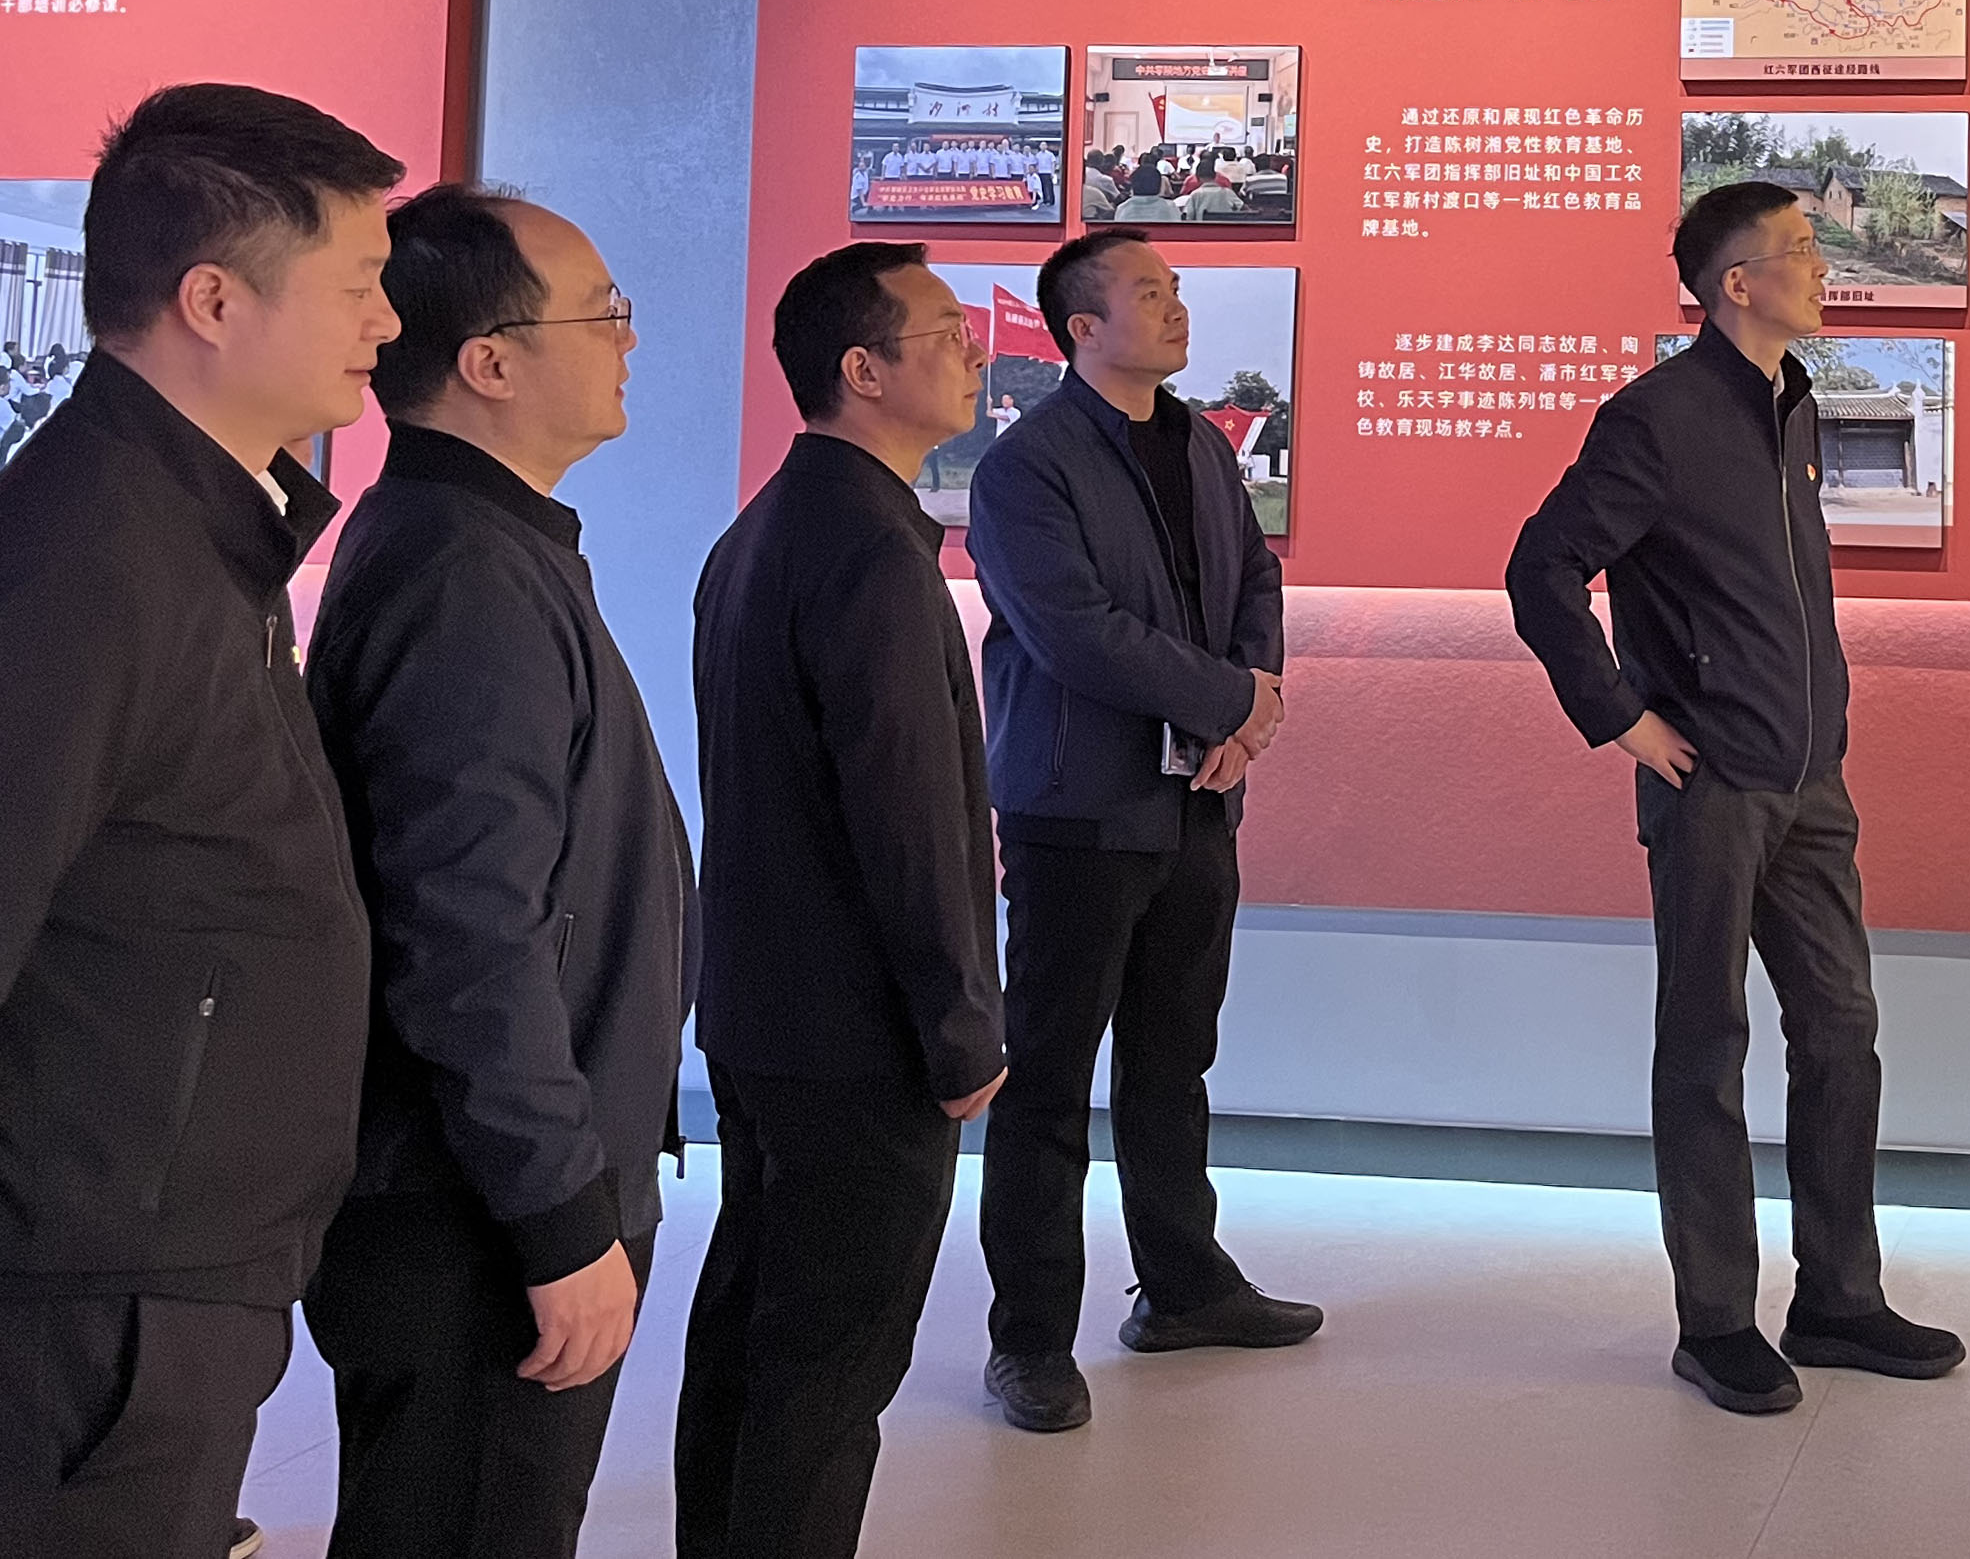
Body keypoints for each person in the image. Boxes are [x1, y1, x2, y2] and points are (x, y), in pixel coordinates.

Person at [0, 83, 404, 1556]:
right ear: (215, 301)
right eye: (358, 284)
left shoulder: (192, 522)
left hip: (165, 1255)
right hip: (92, 1282)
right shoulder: (91, 552)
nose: (387, 323)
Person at [1505, 183, 1965, 1418]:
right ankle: (1713, 1320)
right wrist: (1619, 715)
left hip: (1810, 780)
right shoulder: (1654, 419)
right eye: (1799, 251)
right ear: (1734, 285)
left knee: (1841, 1031)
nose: (1822, 268)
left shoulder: (1791, 402)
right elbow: (1541, 568)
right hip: (1708, 782)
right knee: (1707, 1045)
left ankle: (1838, 1297)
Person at [301, 187, 695, 1559]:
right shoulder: (464, 570)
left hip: (485, 1193)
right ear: (489, 362)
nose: (629, 341)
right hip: (471, 1216)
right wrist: (558, 1217)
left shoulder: (484, 541)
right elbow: (470, 935)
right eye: (604, 314)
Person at [673, 246, 1006, 1559]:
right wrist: (962, 1029)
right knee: (829, 1367)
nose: (973, 349)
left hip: (762, 1011)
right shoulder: (871, 550)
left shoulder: (763, 528)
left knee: (753, 1333)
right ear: (862, 370)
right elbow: (909, 820)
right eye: (944, 330)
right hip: (858, 1034)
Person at [968, 231, 1309, 1436]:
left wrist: (1247, 708)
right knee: (1048, 1078)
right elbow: (1075, 629)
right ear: (1081, 328)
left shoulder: (1203, 445)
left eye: (1175, 291)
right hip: (1079, 806)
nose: (1175, 308)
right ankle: (1028, 1339)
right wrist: (1227, 702)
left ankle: (1183, 1287)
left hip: (1199, 800)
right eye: (1149, 293)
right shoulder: (1026, 467)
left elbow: (1254, 584)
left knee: (1174, 1059)